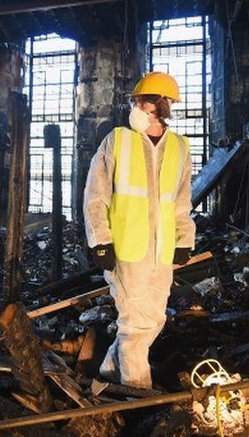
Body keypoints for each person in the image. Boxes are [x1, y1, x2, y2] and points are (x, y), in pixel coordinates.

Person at [83, 71, 195, 389]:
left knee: (154, 320)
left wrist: (184, 240)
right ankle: (138, 393)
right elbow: (95, 195)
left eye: (140, 100)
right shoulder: (117, 140)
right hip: (127, 248)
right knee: (134, 326)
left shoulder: (179, 147)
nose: (134, 104)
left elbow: (181, 200)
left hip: (162, 252)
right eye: (135, 100)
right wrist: (100, 241)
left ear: (160, 105)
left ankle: (106, 374)